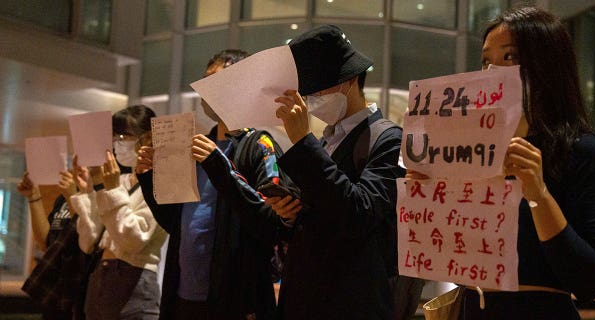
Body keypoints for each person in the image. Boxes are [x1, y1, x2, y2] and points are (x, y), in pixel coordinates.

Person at [408, 6, 595, 319]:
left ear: (547, 65)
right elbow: (460, 262)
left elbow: (589, 281)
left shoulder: (585, 152)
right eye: (485, 60)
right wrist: (431, 204)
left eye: (508, 57)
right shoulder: (472, 150)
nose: (491, 71)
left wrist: (538, 194)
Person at [136, 49, 289, 320]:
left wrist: (219, 166)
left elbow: (271, 223)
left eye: (219, 82)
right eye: (206, 81)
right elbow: (176, 223)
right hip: (183, 295)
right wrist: (149, 178)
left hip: (234, 299)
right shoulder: (193, 146)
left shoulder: (259, 145)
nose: (208, 91)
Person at [269, 24, 404, 319]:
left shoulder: (388, 138)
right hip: (306, 296)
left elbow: (359, 213)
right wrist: (290, 213)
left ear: (350, 79)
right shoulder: (325, 140)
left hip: (350, 301)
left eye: (319, 88)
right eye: (309, 92)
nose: (313, 98)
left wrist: (303, 142)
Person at [70, 105, 168, 320]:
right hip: (101, 275)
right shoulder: (121, 180)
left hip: (134, 279)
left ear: (148, 138)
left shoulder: (160, 184)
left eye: (124, 136)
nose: (117, 143)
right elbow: (88, 242)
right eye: (114, 137)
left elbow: (133, 240)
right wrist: (88, 190)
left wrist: (111, 190)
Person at [18, 171, 86, 320]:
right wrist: (33, 196)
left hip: (79, 292)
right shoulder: (62, 198)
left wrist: (72, 197)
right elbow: (46, 244)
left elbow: (86, 237)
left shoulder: (96, 195)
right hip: (55, 292)